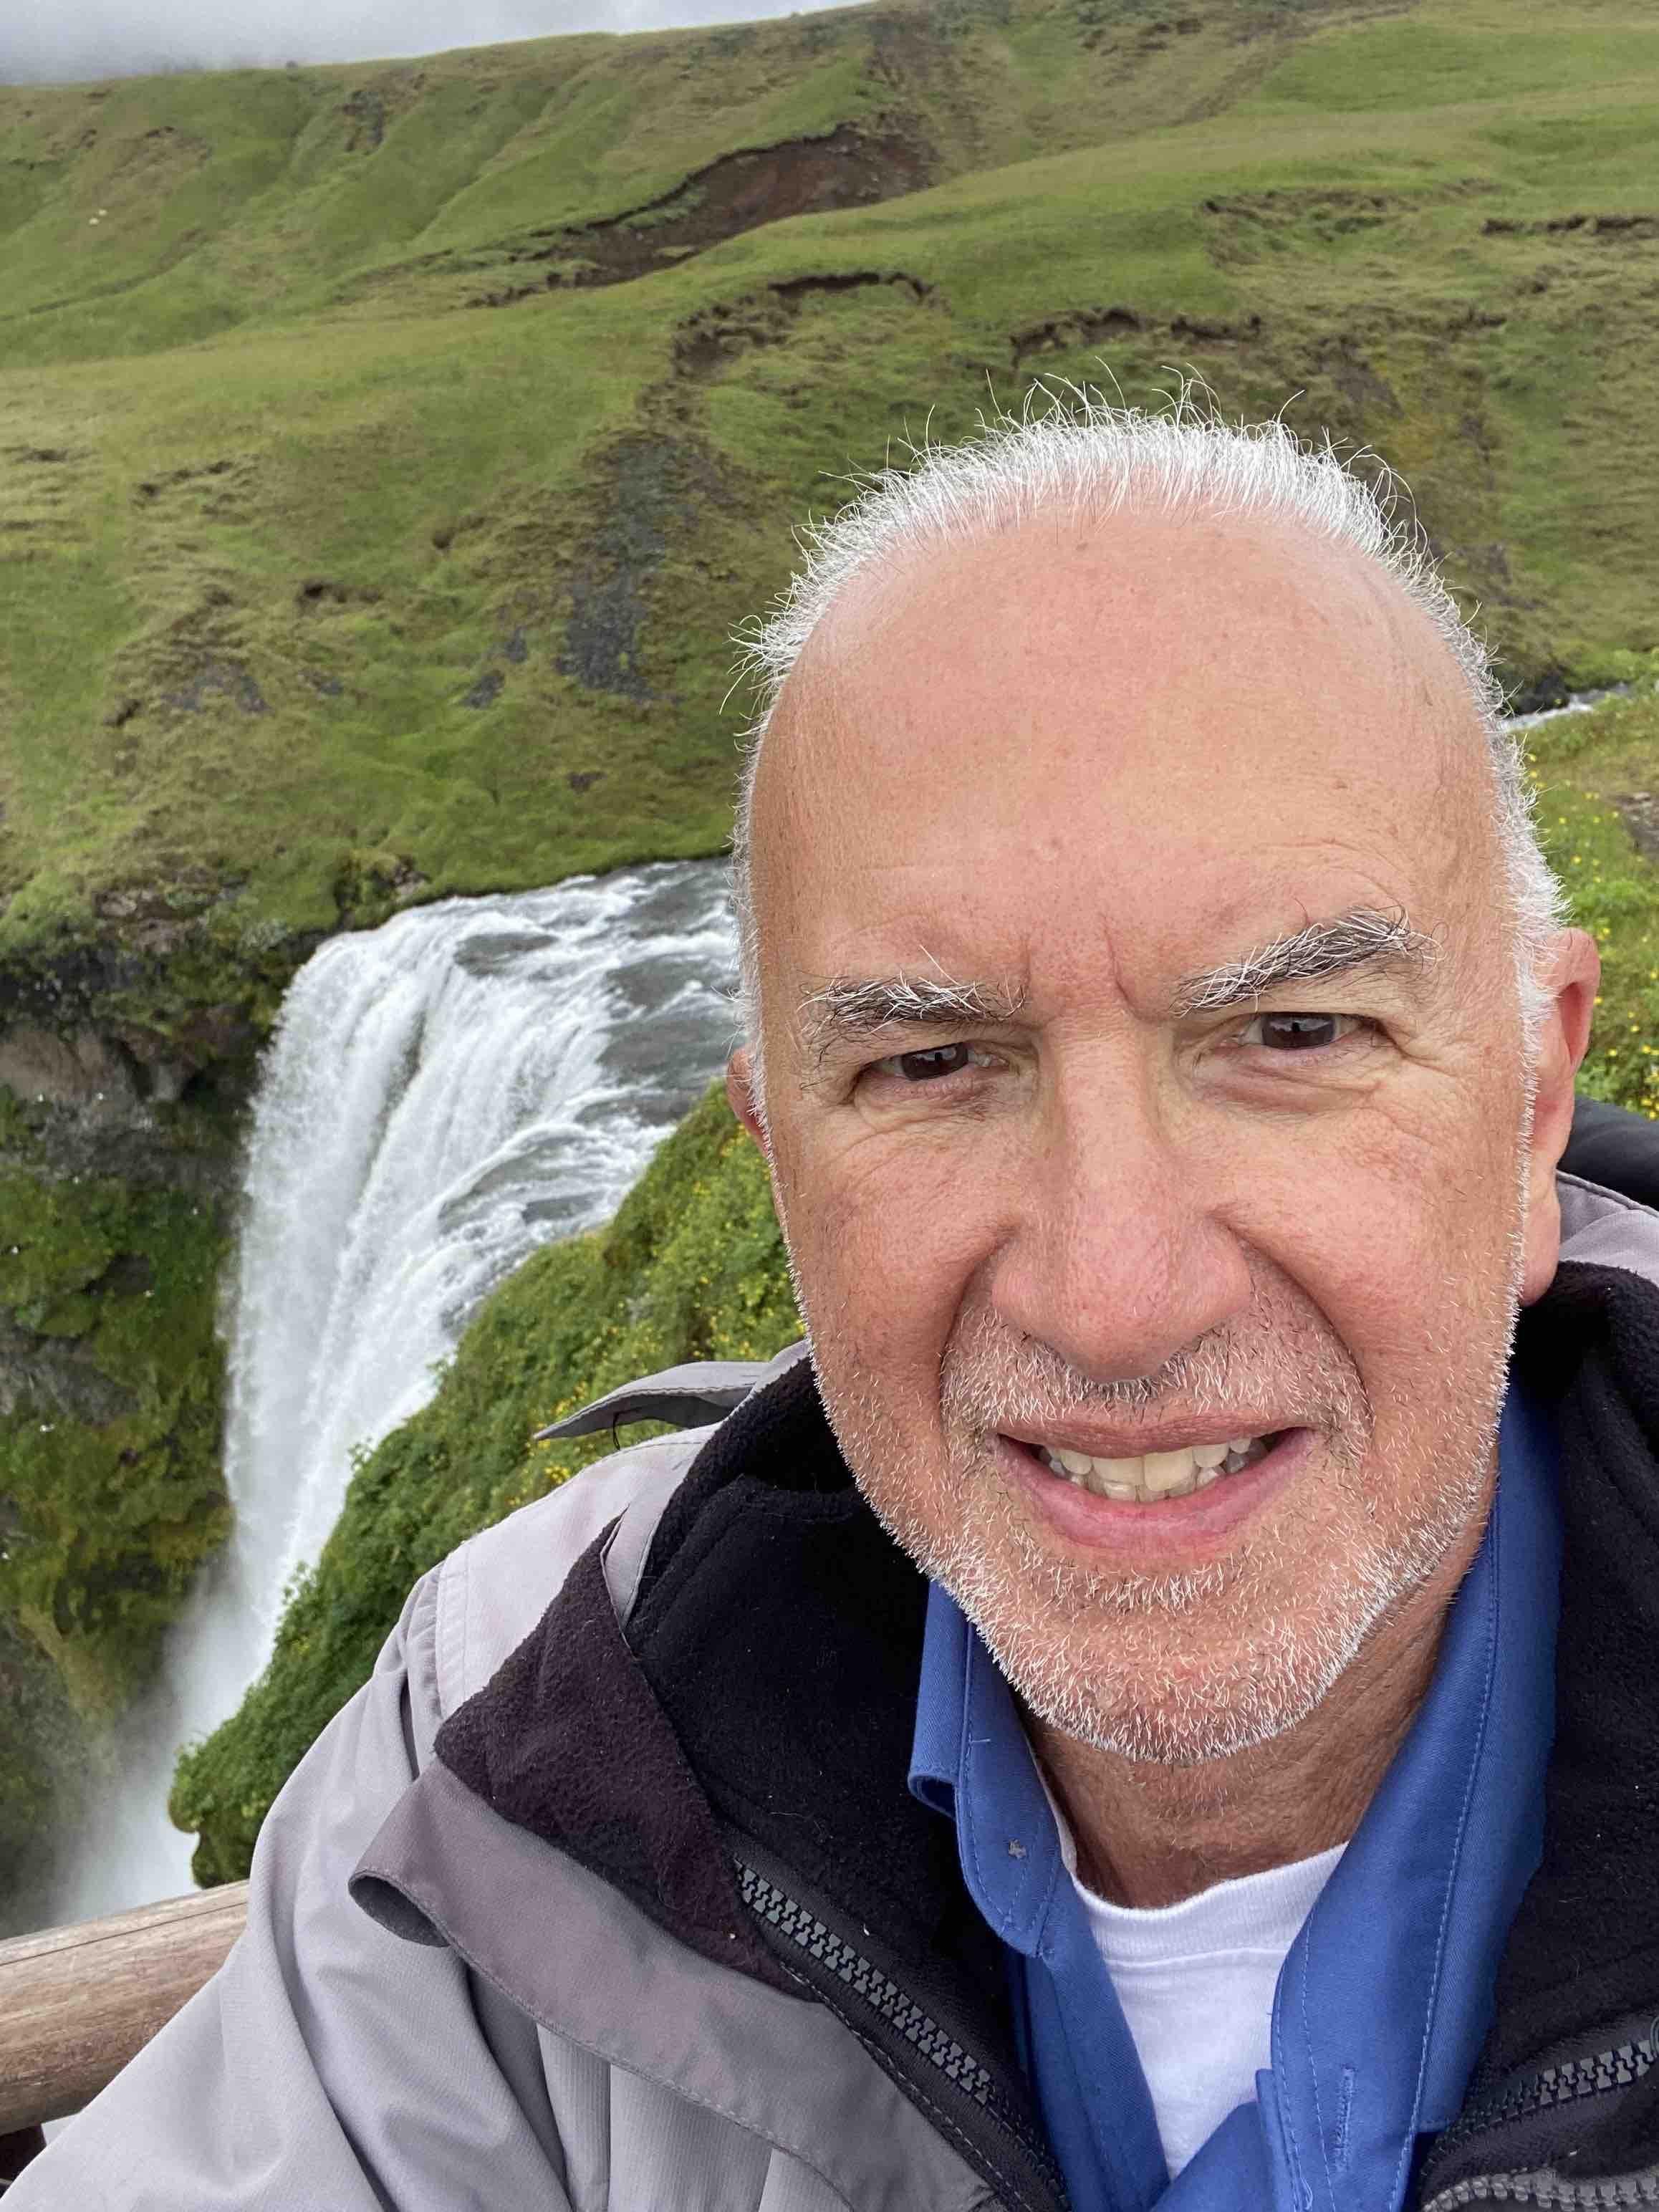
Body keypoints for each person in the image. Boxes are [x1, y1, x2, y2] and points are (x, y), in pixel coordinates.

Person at [18, 398, 1659, 2212]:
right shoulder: (510, 1725)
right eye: (935, 1061)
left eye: (1290, 1034)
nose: (1113, 1295)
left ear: (1526, 1109)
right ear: (778, 1163)